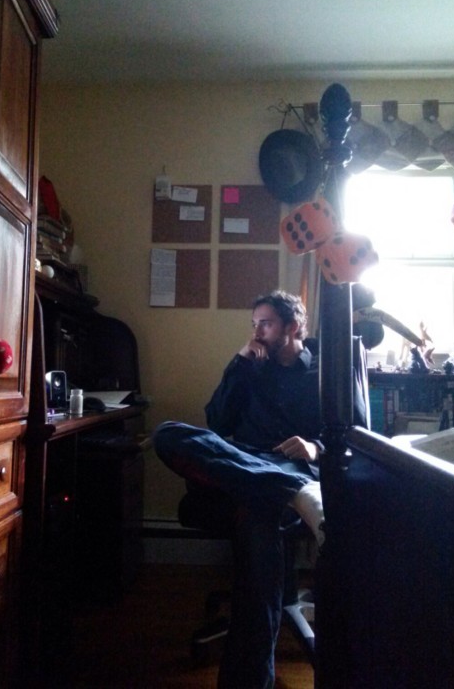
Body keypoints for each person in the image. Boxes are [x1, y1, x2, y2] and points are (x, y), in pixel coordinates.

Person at [152, 290, 368, 689]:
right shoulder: (249, 366)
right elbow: (216, 424)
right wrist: (238, 365)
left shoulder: (326, 372)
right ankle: (294, 491)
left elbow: (358, 435)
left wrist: (315, 447)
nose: (257, 333)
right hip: (242, 461)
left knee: (257, 517)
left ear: (293, 326)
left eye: (266, 324)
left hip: (289, 464)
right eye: (254, 325)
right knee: (166, 434)